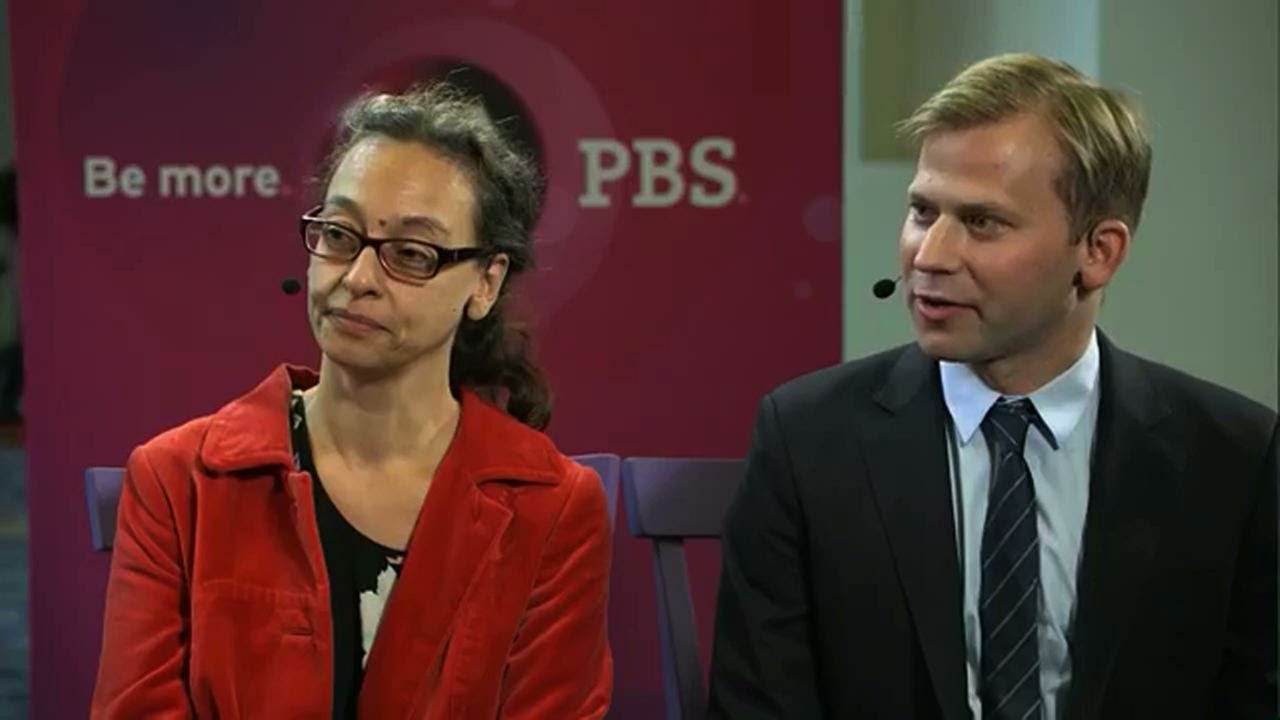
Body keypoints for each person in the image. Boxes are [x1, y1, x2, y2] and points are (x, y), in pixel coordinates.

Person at [709, 53, 1277, 719]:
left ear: (1099, 252)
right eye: (923, 212)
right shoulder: (806, 441)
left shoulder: (1233, 456)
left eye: (982, 222)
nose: (931, 255)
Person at [91, 84, 613, 719]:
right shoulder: (178, 479)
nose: (358, 279)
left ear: (486, 281)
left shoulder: (553, 507)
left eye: (411, 254)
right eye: (339, 235)